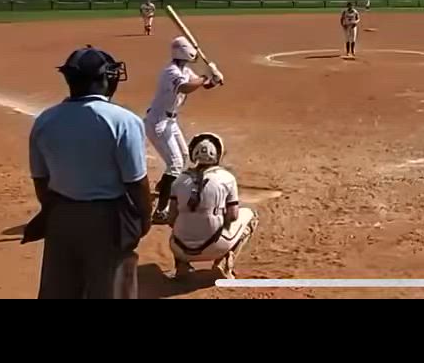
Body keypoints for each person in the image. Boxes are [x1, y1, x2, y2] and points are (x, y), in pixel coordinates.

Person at [26, 46, 150, 299]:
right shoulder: (124, 121)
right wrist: (144, 219)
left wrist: (57, 212)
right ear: (104, 79)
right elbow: (136, 182)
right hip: (107, 220)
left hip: (60, 216)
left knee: (59, 291)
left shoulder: (45, 120)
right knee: (111, 290)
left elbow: (41, 180)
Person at [144, 36, 221, 225]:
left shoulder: (184, 70)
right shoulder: (171, 72)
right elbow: (185, 87)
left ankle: (163, 185)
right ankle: (160, 211)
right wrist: (205, 77)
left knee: (185, 155)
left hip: (170, 121)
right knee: (175, 164)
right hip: (158, 122)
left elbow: (202, 85)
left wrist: (215, 78)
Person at [165, 133, 259, 280]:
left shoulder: (178, 181)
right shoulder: (227, 178)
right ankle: (224, 262)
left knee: (180, 223)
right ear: (218, 154)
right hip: (216, 246)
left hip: (179, 249)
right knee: (251, 215)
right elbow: (233, 216)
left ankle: (182, 266)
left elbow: (171, 218)